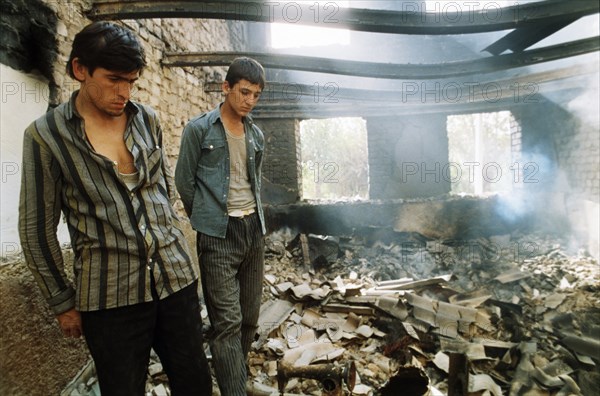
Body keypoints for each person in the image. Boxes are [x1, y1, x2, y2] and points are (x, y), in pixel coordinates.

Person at [18, 21, 212, 395]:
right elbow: (35, 229)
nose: (124, 92)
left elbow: (164, 193)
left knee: (196, 383)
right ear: (80, 69)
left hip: (175, 283)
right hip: (110, 299)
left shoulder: (147, 120)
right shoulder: (45, 137)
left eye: (133, 82)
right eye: (113, 79)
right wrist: (61, 300)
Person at [175, 57, 267, 395]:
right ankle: (235, 391)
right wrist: (207, 219)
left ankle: (235, 379)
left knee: (249, 320)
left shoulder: (256, 134)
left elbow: (254, 181)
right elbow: (184, 181)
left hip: (253, 232)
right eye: (244, 92)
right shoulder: (199, 129)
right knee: (225, 323)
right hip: (218, 235)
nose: (249, 100)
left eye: (256, 95)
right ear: (226, 87)